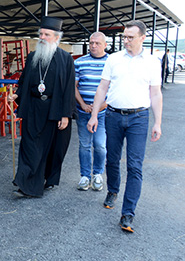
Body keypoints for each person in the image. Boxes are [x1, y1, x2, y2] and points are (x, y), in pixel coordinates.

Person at [87, 20, 162, 233]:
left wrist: (157, 122)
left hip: (139, 117)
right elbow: (102, 88)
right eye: (124, 37)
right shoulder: (114, 59)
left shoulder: (152, 62)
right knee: (112, 158)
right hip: (113, 116)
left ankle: (128, 213)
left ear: (142, 38)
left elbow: (156, 93)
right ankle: (113, 190)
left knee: (134, 166)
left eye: (130, 37)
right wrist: (94, 115)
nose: (126, 40)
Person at [9, 16, 75, 197]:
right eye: (41, 34)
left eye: (46, 34)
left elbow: (69, 89)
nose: (42, 37)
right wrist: (16, 94)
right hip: (33, 108)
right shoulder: (32, 57)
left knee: (50, 148)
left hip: (53, 110)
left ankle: (44, 180)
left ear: (56, 37)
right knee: (29, 147)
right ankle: (26, 184)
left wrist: (65, 115)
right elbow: (24, 82)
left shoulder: (65, 59)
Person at [74, 32, 108, 191]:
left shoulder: (111, 63)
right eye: (91, 43)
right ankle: (85, 176)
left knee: (100, 145)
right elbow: (74, 87)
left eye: (97, 43)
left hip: (103, 113)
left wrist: (98, 107)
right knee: (84, 145)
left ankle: (98, 174)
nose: (93, 46)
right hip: (83, 112)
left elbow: (115, 90)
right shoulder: (79, 62)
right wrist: (82, 104)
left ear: (105, 45)